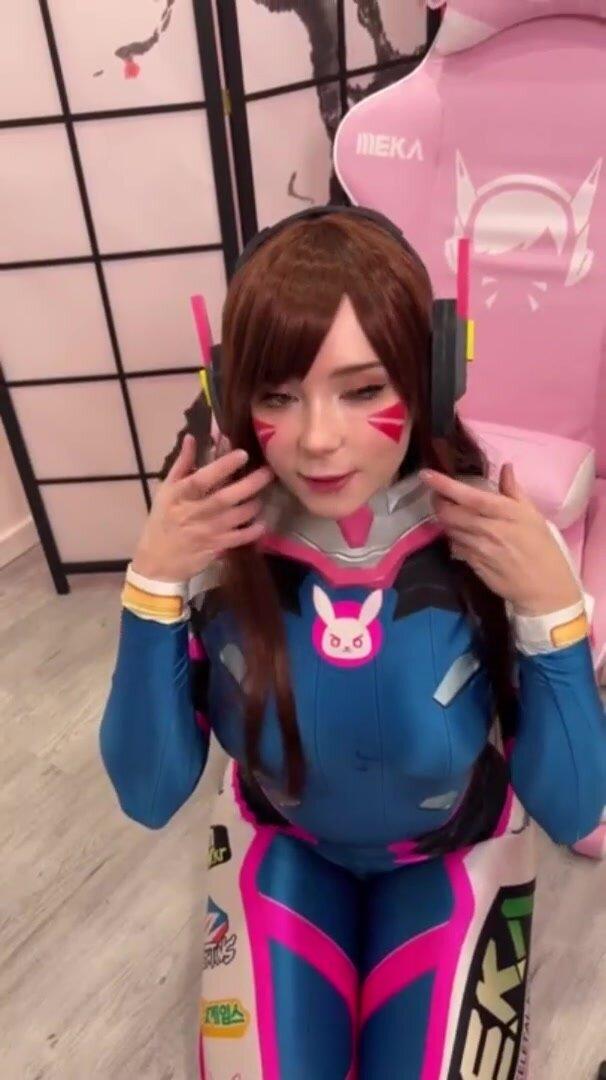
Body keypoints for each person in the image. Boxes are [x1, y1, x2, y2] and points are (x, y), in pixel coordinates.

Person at [100, 206, 606, 1080]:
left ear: (433, 375)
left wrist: (551, 613)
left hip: (455, 853)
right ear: (233, 394)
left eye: (364, 389)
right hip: (285, 848)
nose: (319, 438)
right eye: (278, 395)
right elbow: (148, 793)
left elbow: (578, 807)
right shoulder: (216, 553)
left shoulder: (498, 545)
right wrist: (153, 586)